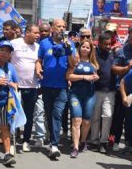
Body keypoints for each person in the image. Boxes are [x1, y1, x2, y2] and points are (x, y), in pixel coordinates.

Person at [36, 19, 75, 160]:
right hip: (46, 85)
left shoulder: (69, 44)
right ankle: (52, 136)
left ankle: (54, 144)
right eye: (59, 26)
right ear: (52, 28)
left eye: (64, 26)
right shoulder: (44, 43)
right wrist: (38, 69)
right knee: (49, 113)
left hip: (62, 86)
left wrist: (69, 51)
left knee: (57, 114)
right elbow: (39, 60)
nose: (61, 28)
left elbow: (73, 64)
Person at [111, 27, 132, 152]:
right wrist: (127, 67)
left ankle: (130, 143)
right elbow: (114, 69)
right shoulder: (122, 51)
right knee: (120, 117)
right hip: (123, 89)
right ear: (128, 38)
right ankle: (116, 140)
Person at [10, 24, 41, 152]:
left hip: (32, 86)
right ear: (27, 32)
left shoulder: (38, 47)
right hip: (15, 86)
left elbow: (39, 62)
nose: (38, 35)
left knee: (28, 115)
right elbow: (6, 59)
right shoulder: (14, 43)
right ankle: (11, 141)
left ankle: (26, 140)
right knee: (13, 114)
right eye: (36, 32)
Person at [66, 38, 99, 157]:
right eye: (83, 47)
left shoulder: (93, 64)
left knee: (86, 121)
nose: (85, 49)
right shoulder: (74, 62)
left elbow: (96, 76)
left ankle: (83, 141)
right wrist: (85, 77)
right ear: (79, 48)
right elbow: (68, 76)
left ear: (91, 50)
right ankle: (75, 147)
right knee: (76, 120)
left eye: (88, 47)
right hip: (75, 94)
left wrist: (95, 78)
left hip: (89, 95)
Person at [90, 32, 116, 153]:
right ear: (99, 43)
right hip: (95, 90)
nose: (108, 46)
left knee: (107, 116)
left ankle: (103, 141)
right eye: (105, 44)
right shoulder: (93, 54)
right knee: (95, 117)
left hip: (110, 91)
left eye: (109, 44)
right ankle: (94, 141)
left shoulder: (113, 54)